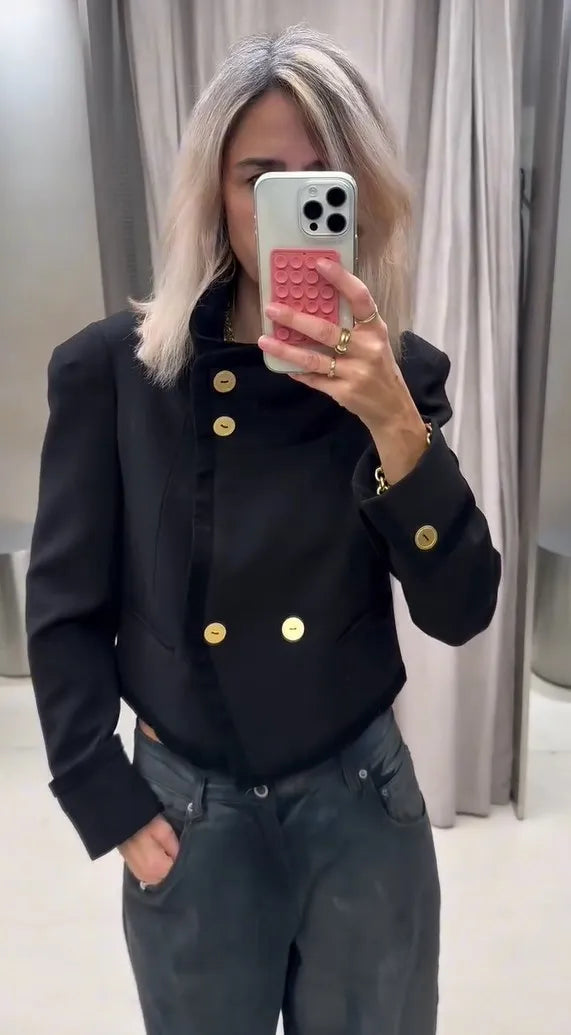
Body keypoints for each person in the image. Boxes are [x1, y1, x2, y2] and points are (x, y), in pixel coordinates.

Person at [26, 24, 501, 1035]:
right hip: (190, 811)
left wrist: (393, 422)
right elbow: (65, 608)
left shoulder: (401, 380)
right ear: (215, 192)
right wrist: (105, 795)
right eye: (261, 178)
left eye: (321, 178)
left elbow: (462, 609)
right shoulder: (115, 374)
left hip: (359, 804)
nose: (292, 203)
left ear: (360, 194)